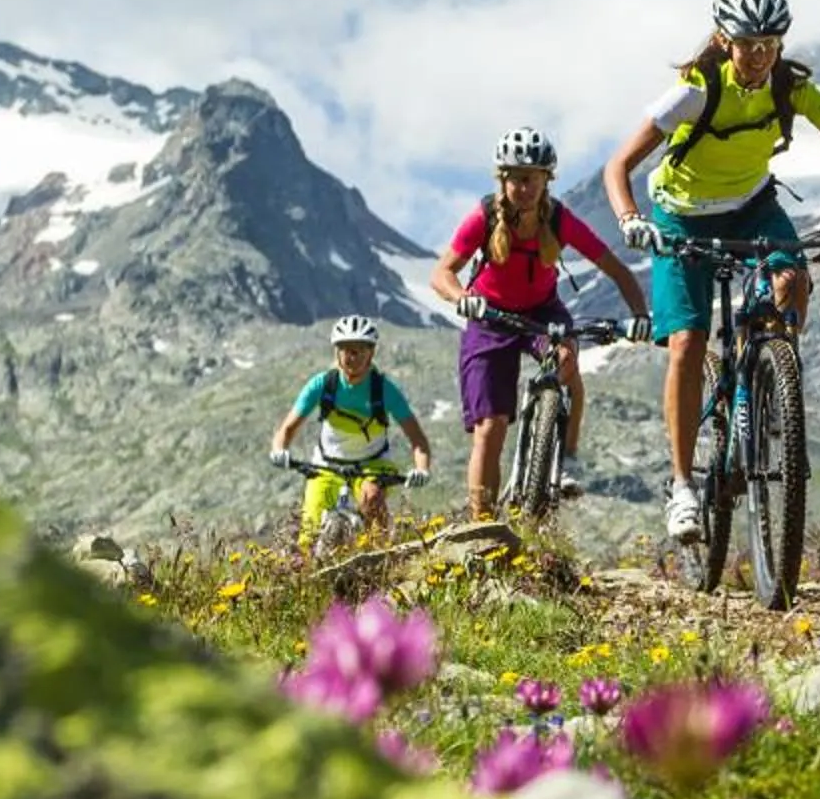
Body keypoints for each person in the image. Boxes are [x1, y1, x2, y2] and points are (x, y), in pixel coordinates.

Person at [602, 0, 820, 542]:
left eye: (770, 43)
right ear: (723, 39)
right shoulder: (694, 90)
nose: (760, 55)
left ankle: (768, 371)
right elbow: (618, 167)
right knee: (687, 343)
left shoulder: (793, 87)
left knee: (792, 278)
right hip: (680, 214)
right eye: (748, 43)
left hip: (752, 207)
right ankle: (684, 487)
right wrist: (630, 221)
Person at [428, 126, 653, 519]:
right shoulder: (482, 218)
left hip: (541, 312)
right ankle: (480, 524)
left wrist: (640, 317)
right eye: (516, 178)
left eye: (532, 178)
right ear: (503, 179)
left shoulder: (559, 220)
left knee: (567, 361)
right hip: (490, 318)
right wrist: (462, 299)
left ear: (546, 180)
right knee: (490, 427)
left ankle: (567, 459)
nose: (524, 187)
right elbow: (442, 273)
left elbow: (617, 269)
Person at [268, 315, 433, 552]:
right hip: (326, 463)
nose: (351, 357)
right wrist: (279, 449)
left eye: (359, 351)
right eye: (345, 350)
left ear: (371, 353)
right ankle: (308, 580)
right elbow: (287, 429)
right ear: (337, 352)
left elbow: (418, 440)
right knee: (309, 535)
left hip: (373, 463)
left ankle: (381, 560)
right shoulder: (322, 385)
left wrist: (421, 469)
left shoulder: (384, 390)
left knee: (371, 498)